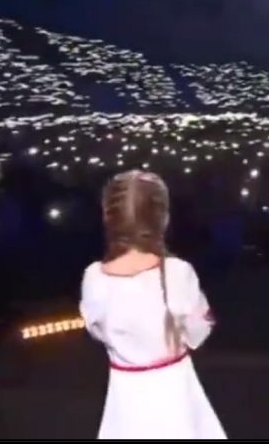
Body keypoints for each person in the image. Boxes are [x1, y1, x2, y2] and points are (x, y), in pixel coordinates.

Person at [80, 170, 226, 439]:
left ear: (107, 218)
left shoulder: (94, 278)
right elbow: (198, 332)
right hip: (177, 397)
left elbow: (97, 331)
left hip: (124, 403)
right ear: (164, 218)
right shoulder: (178, 272)